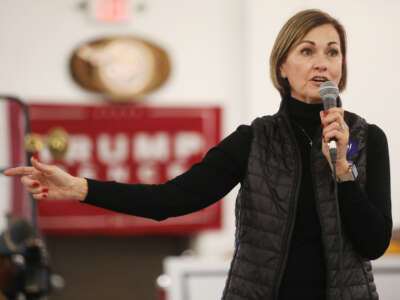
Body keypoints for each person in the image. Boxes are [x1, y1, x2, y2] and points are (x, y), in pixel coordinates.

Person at [3, 9, 392, 300]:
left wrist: (343, 170)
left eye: (333, 52)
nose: (322, 62)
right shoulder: (254, 141)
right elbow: (170, 200)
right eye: (307, 50)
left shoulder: (368, 140)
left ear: (343, 67)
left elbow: (374, 244)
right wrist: (80, 188)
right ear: (282, 67)